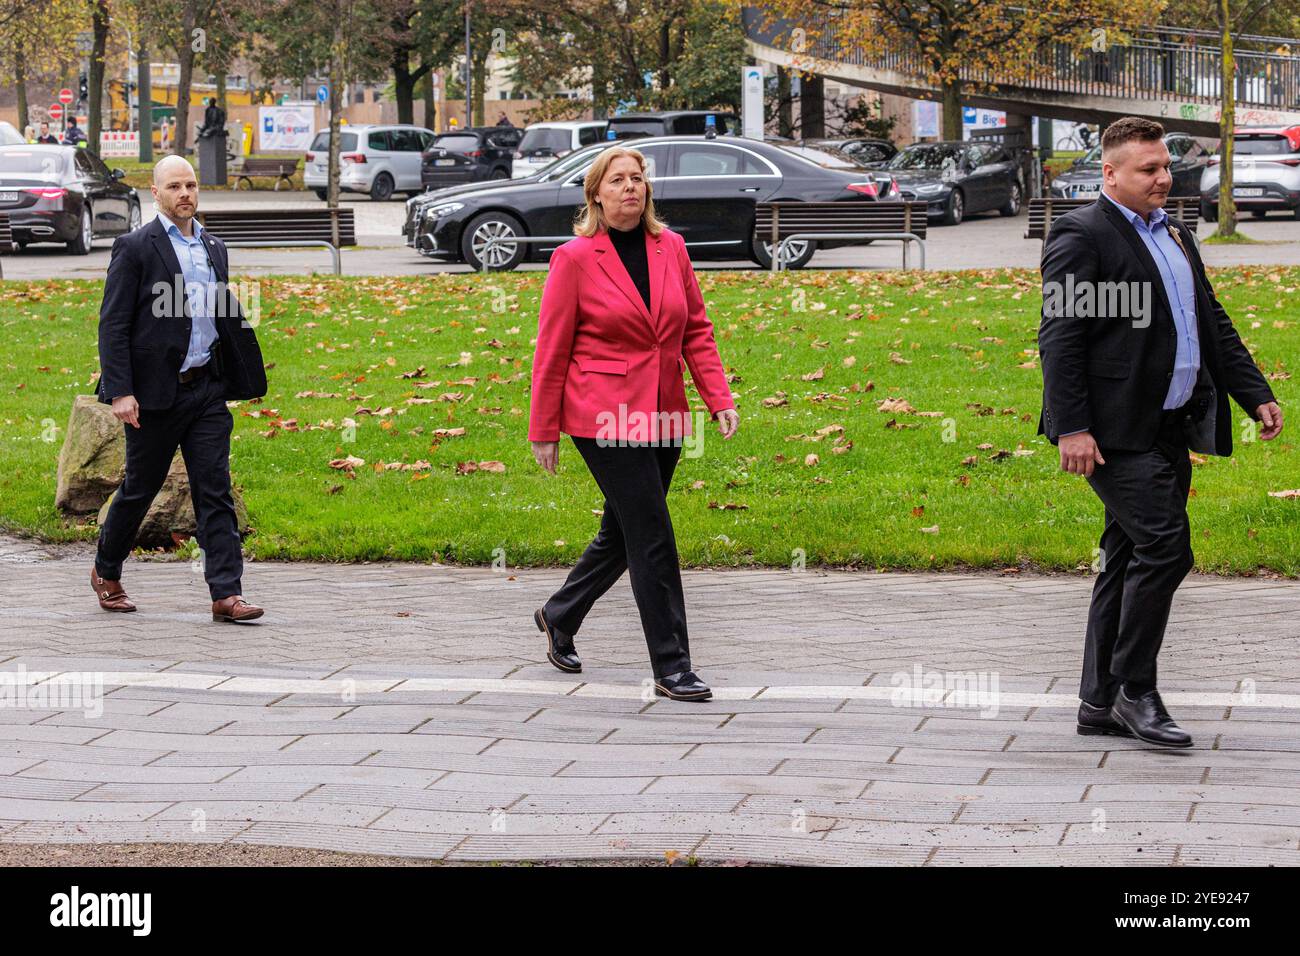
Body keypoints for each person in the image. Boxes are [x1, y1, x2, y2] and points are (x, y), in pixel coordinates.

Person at [1038, 116, 1284, 748]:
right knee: (1167, 548)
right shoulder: (1081, 233)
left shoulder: (1175, 232)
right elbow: (1061, 337)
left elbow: (1208, 319)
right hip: (1113, 432)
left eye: (1165, 166)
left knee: (1124, 559)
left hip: (1170, 423)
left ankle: (1097, 702)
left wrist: (1254, 393)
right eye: (1147, 169)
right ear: (1110, 172)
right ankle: (1133, 690)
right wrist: (1072, 427)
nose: (1162, 178)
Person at [528, 146, 740, 702]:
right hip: (601, 413)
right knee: (652, 535)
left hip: (664, 408)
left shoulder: (670, 248)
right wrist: (543, 428)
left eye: (637, 178)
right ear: (596, 194)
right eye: (618, 180)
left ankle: (560, 613)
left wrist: (717, 398)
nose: (630, 187)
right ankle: (673, 667)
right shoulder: (573, 258)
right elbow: (552, 349)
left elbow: (696, 328)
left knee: (623, 530)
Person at [93, 154, 268, 623]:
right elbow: (113, 325)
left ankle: (226, 594)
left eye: (190, 184)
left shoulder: (213, 246)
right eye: (174, 186)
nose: (185, 193)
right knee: (140, 488)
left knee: (214, 490)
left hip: (206, 389)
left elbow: (218, 312)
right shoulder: (135, 247)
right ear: (156, 192)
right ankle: (106, 569)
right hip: (153, 394)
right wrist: (119, 390)